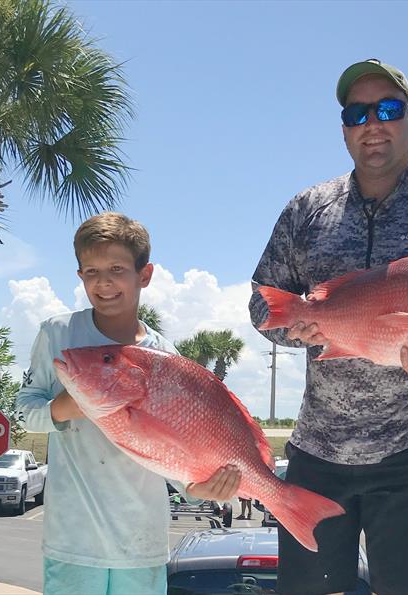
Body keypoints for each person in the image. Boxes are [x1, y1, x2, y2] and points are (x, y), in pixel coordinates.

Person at [248, 59, 408, 595]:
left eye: (388, 109)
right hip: (319, 449)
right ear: (344, 129)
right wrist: (294, 331)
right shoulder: (306, 211)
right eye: (357, 113)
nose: (372, 124)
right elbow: (263, 304)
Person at [17, 212, 241, 595]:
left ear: (145, 275)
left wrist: (197, 488)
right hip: (72, 543)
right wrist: (68, 407)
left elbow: (174, 447)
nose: (103, 282)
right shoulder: (58, 334)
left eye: (117, 268)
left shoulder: (164, 356)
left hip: (143, 543)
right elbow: (24, 413)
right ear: (80, 276)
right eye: (91, 271)